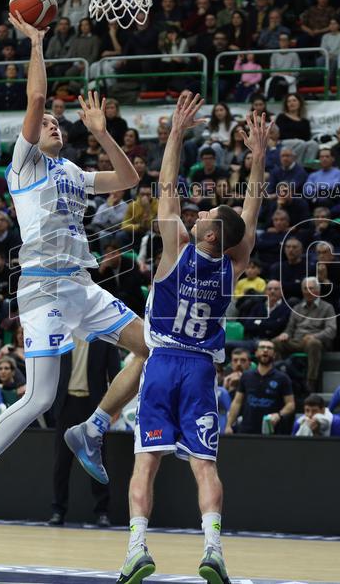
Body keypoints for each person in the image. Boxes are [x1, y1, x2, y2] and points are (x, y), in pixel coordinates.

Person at [0, 13, 150, 529]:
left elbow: (128, 178)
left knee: (153, 347)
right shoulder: (24, 166)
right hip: (43, 289)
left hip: (81, 286)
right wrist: (37, 42)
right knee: (41, 395)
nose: (54, 124)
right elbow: (37, 98)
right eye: (47, 124)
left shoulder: (73, 171)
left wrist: (102, 133)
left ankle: (93, 428)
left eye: (60, 123)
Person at [110, 103, 268, 584]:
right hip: (200, 369)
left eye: (207, 215)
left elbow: (166, 190)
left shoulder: (174, 250)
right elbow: (250, 211)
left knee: (146, 463)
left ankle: (136, 549)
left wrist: (176, 134)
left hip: (161, 364)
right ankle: (214, 550)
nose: (199, 213)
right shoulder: (233, 265)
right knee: (204, 466)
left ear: (211, 233)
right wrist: (259, 157)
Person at [49, 338, 112, 528]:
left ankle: (102, 512)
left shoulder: (104, 336)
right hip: (66, 403)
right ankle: (58, 510)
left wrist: (113, 407)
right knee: (61, 462)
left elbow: (115, 373)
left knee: (97, 460)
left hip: (95, 406)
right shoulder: (63, 334)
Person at [271, 276, 337, 393]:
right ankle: (277, 376)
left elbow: (331, 330)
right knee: (275, 342)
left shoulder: (327, 307)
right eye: (305, 289)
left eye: (311, 288)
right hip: (297, 340)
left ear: (318, 290)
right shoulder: (297, 308)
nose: (308, 291)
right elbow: (290, 329)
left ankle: (310, 382)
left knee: (313, 343)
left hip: (314, 341)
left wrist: (315, 336)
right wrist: (285, 334)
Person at [225, 340, 295, 435]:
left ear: (274, 354)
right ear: (256, 353)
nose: (265, 350)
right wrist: (228, 425)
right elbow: (237, 402)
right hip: (246, 431)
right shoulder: (246, 376)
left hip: (271, 432)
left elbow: (290, 404)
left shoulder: (283, 378)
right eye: (262, 347)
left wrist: (279, 415)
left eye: (269, 348)